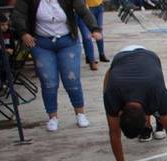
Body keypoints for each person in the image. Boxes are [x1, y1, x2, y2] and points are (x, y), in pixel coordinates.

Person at [12, 0, 102, 132]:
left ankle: (80, 114)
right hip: (41, 44)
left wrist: (94, 28)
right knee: (48, 81)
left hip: (67, 42)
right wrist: (23, 33)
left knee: (71, 79)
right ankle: (52, 117)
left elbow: (83, 11)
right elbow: (18, 14)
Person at [102, 46, 167, 161]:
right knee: (112, 101)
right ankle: (150, 126)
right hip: (120, 59)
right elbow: (114, 132)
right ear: (120, 112)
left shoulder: (157, 93)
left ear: (146, 118)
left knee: (162, 113)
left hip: (149, 56)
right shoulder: (112, 94)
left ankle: (156, 121)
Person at [77, 0, 108, 71]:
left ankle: (101, 54)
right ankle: (91, 60)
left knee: (98, 31)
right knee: (87, 36)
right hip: (84, 9)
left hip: (98, 6)